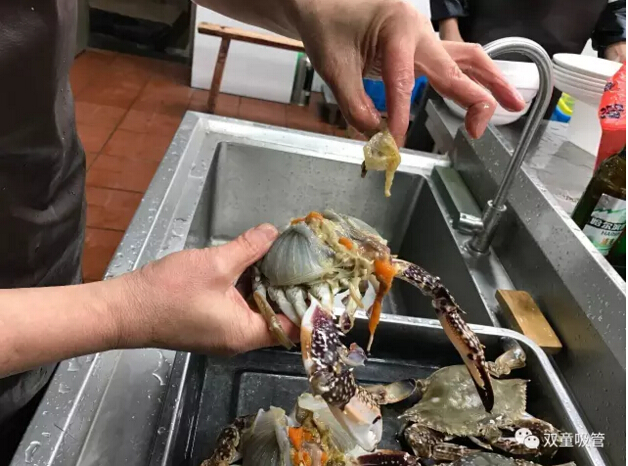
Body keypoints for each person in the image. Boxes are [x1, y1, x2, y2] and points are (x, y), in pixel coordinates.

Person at [0, 0, 525, 462]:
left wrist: (324, 9)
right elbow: (324, 367)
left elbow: (425, 285)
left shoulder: (355, 248)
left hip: (38, 218)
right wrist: (122, 311)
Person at [431, 0, 627, 117]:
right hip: (472, 42)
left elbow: (618, 7)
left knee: (526, 141)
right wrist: (449, 27)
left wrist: (617, 42)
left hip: (551, 65)